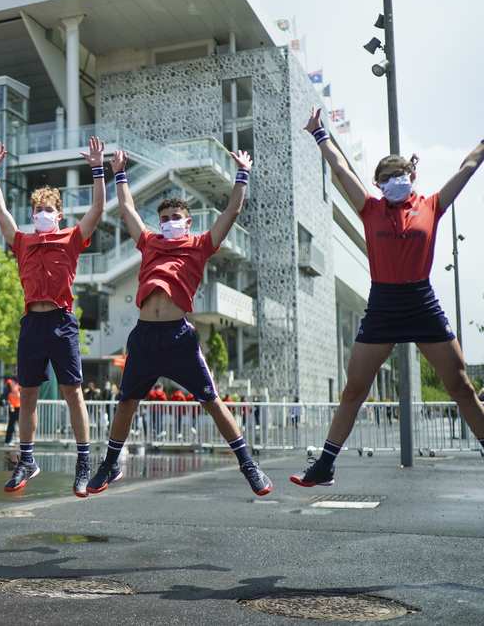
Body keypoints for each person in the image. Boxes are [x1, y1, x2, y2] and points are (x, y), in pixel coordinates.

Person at [291, 108, 484, 488]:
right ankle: (325, 465)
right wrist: (318, 134)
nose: (395, 181)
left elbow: (467, 168)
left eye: (401, 174)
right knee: (354, 389)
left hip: (421, 301)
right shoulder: (370, 208)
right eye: (387, 177)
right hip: (383, 304)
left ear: (411, 176)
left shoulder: (431, 205)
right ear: (378, 185)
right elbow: (340, 169)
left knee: (461, 385)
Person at [87, 147, 272, 496]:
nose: (170, 221)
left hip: (178, 338)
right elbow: (127, 209)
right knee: (126, 403)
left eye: (176, 216)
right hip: (144, 336)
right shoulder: (149, 241)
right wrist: (119, 172)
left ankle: (249, 465)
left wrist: (243, 173)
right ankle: (110, 465)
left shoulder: (201, 244)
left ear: (187, 221)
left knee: (212, 401)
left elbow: (232, 211)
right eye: (165, 217)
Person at [0, 137, 106, 498]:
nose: (42, 213)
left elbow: (98, 208)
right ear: (32, 214)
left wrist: (97, 169)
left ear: (59, 214)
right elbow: (0, 212)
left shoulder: (71, 238)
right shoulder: (22, 241)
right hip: (32, 324)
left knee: (73, 393)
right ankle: (27, 460)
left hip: (61, 322)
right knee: (28, 395)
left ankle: (83, 463)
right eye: (37, 209)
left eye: (48, 209)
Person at [2, 370, 21, 447]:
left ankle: (17, 439)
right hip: (13, 407)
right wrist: (10, 405)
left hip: (19, 406)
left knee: (21, 425)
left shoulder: (19, 383)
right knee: (11, 424)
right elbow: (5, 395)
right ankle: (7, 441)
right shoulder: (10, 382)